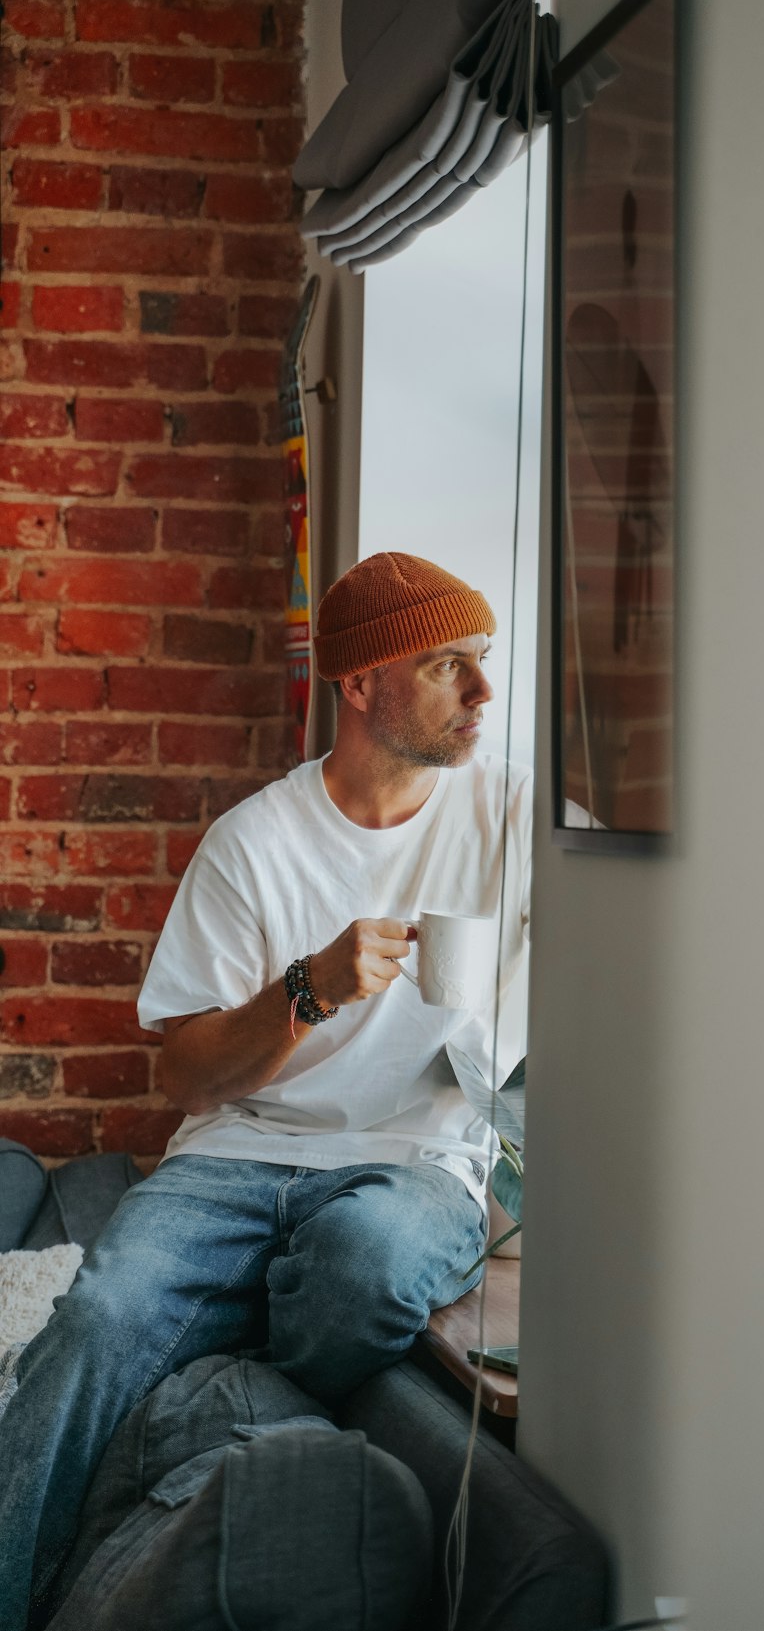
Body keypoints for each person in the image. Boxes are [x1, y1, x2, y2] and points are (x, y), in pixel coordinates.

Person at [0, 551, 532, 1631]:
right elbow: (187, 1072)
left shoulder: (515, 818)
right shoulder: (254, 844)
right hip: (241, 1153)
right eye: (446, 665)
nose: (482, 691)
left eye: (481, 660)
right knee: (98, 1321)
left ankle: (218, 1366)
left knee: (366, 1264)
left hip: (412, 1161)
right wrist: (309, 989)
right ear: (362, 685)